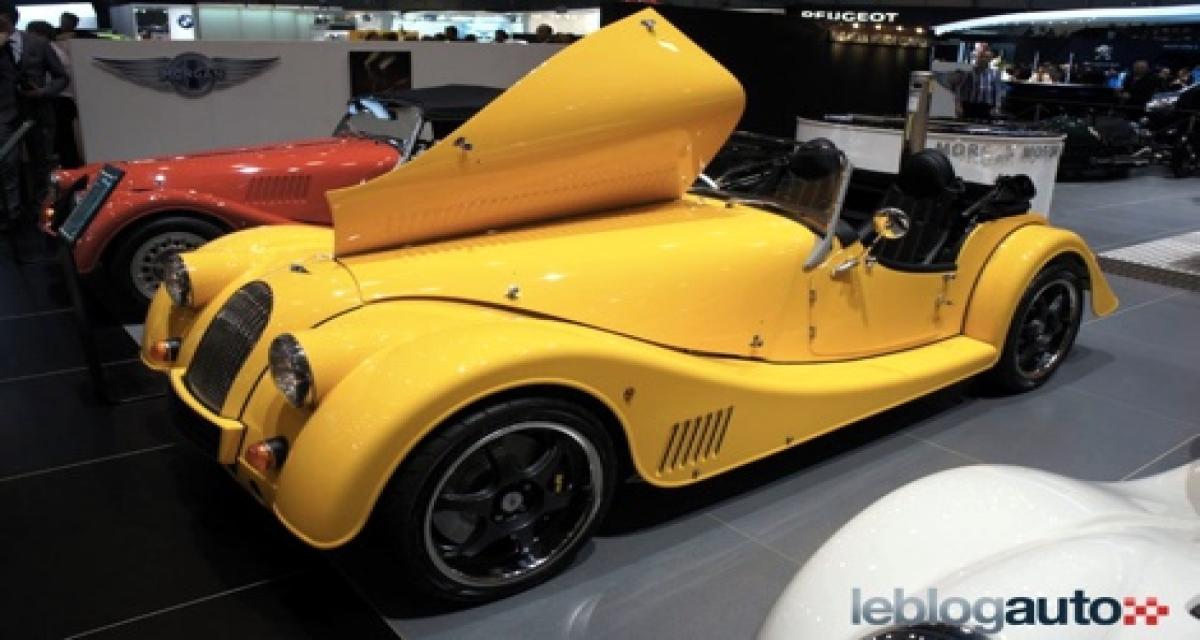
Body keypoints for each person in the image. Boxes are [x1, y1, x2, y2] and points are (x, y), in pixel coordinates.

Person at [0, 3, 69, 231]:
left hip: (39, 112)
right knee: (7, 164)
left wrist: (44, 92)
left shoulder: (38, 43)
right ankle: (12, 213)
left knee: (43, 163)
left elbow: (61, 77)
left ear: (8, 18)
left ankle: (42, 209)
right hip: (4, 114)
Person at [955, 49, 1003, 120]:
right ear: (978, 58)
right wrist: (958, 105)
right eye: (981, 57)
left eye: (987, 57)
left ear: (990, 59)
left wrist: (997, 107)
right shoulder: (968, 72)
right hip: (969, 105)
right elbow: (959, 89)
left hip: (986, 106)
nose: (983, 59)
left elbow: (997, 91)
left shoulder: (995, 74)